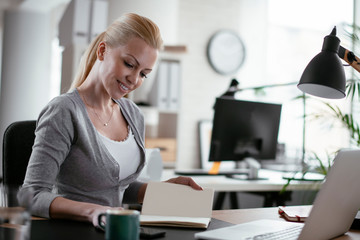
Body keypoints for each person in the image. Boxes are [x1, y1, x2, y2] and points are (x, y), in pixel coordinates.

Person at [19, 13, 202, 227]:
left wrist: (162, 191)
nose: (134, 80)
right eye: (129, 64)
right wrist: (93, 212)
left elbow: (116, 187)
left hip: (114, 230)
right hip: (73, 232)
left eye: (144, 74)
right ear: (103, 51)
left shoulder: (133, 114)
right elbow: (30, 196)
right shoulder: (64, 111)